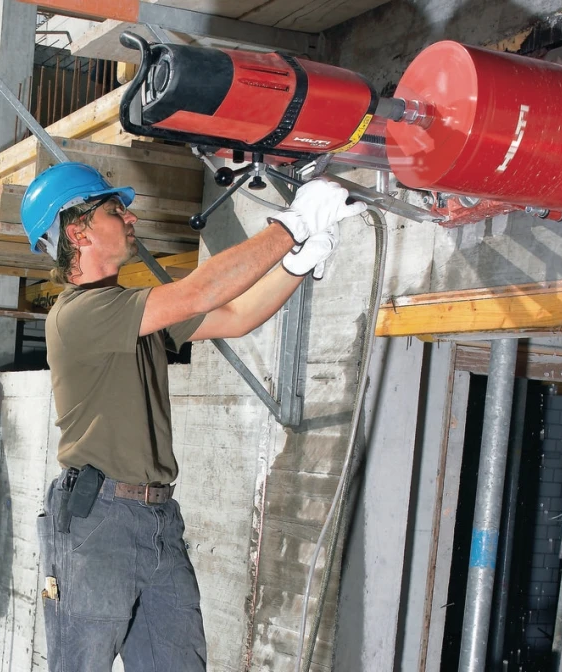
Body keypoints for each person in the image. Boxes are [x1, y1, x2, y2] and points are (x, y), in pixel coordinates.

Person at [22, 162, 363, 671]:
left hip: (155, 517)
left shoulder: (129, 311)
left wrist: (298, 262)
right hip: (100, 523)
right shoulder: (78, 314)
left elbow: (236, 317)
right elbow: (200, 292)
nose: (131, 218)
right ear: (78, 232)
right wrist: (293, 225)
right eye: (115, 210)